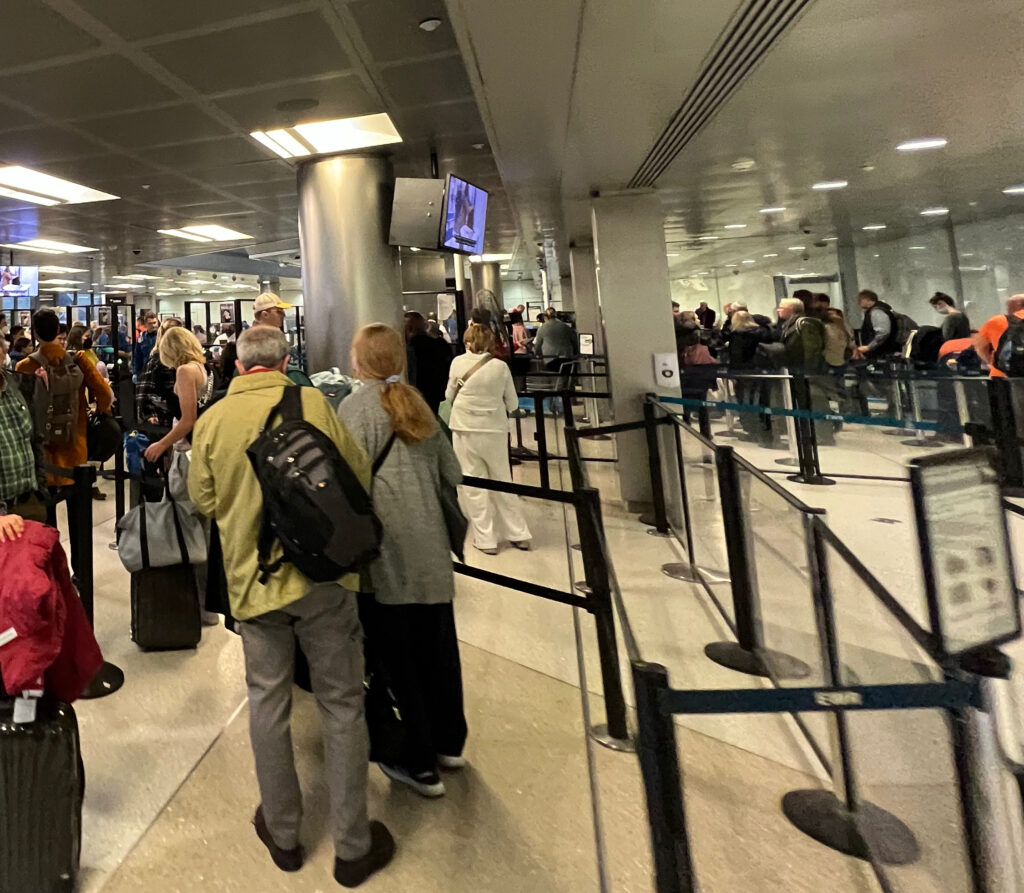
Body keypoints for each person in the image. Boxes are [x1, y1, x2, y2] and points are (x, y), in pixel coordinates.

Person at [188, 326, 394, 886]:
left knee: (267, 701)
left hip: (254, 584)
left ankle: (282, 832)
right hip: (324, 581)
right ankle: (353, 846)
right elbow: (353, 472)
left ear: (236, 363)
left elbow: (202, 499)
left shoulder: (211, 422)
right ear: (285, 362)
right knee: (342, 702)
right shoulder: (313, 403)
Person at [338, 324, 467, 798]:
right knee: (439, 651)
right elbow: (450, 474)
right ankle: (450, 743)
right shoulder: (418, 403)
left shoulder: (354, 409)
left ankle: (418, 762)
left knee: (397, 661)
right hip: (432, 554)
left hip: (386, 557)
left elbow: (348, 483)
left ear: (361, 361)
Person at [445, 323, 530, 555]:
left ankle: (486, 539)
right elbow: (512, 403)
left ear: (467, 342)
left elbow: (448, 394)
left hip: (464, 428)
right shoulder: (499, 366)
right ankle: (518, 534)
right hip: (494, 430)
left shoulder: (457, 363)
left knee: (474, 485)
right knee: (503, 481)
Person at [16, 309, 112, 493]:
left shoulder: (25, 366)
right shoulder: (78, 360)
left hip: (42, 453)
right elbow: (104, 394)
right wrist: (97, 412)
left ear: (35, 333)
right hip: (75, 446)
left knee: (47, 515)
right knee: (79, 512)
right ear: (58, 331)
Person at [143, 327, 207, 465]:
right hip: (199, 443)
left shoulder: (185, 371)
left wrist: (162, 444)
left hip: (186, 447)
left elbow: (189, 419)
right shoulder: (200, 366)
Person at [0, 336, 45, 522]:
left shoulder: (18, 385)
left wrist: (40, 491)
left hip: (29, 502)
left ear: (3, 353)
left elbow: (36, 438)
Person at [136, 317, 184, 434]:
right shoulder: (158, 359)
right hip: (164, 417)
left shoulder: (182, 358)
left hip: (180, 413)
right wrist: (149, 415)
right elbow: (144, 390)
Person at [404, 311, 452, 415]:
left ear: (409, 328)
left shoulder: (409, 349)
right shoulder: (441, 345)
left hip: (417, 398)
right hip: (438, 396)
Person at [972, 294, 1024, 378]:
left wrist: (991, 360)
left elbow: (979, 346)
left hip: (1004, 376)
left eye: (1008, 306)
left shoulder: (998, 320)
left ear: (1016, 305)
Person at [852, 290, 898, 360]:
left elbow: (883, 332)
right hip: (884, 351)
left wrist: (869, 347)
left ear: (868, 300)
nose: (858, 302)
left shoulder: (876, 312)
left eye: (860, 300)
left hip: (882, 353)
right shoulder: (881, 309)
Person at [133, 311, 159, 376]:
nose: (153, 325)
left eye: (154, 323)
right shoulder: (141, 338)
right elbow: (137, 356)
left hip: (159, 370)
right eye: (150, 323)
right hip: (145, 370)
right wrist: (135, 372)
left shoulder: (162, 336)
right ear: (145, 324)